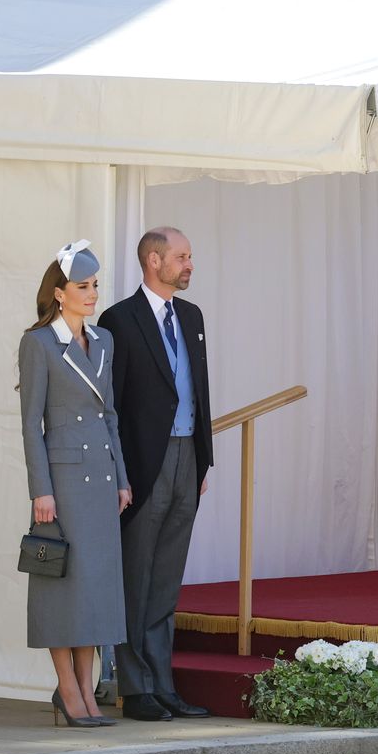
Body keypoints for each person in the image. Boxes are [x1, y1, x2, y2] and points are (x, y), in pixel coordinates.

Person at [98, 227, 214, 720]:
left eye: (190, 256)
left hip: (188, 457)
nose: (189, 265)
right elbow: (112, 405)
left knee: (167, 577)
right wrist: (119, 473)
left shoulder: (191, 316)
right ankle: (136, 686)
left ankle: (163, 684)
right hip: (144, 463)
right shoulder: (118, 320)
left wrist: (204, 458)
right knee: (136, 575)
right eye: (181, 257)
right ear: (153, 260)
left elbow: (200, 390)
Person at [18, 240, 132, 727]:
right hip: (61, 485)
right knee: (62, 588)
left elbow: (110, 417)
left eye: (95, 286)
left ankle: (87, 691)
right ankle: (68, 689)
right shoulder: (40, 343)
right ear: (59, 293)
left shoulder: (103, 340)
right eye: (83, 287)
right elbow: (31, 424)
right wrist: (40, 490)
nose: (92, 294)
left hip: (101, 482)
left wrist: (122, 480)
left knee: (94, 590)